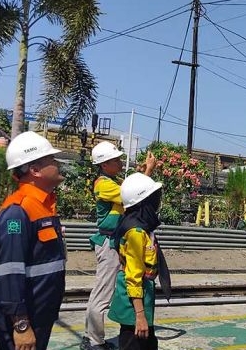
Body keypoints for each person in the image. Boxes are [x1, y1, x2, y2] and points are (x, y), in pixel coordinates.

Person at [0, 131, 67, 350]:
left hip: (40, 313)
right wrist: (21, 325)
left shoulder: (43, 205)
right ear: (35, 170)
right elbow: (10, 271)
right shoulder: (17, 211)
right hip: (24, 318)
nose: (57, 163)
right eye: (51, 159)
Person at [82, 142, 156, 350]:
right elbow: (133, 195)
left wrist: (142, 173)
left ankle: (93, 337)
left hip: (114, 241)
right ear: (104, 165)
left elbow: (132, 188)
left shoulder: (113, 180)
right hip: (109, 242)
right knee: (103, 292)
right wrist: (148, 172)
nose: (120, 162)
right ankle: (94, 340)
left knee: (107, 290)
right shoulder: (103, 184)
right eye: (115, 160)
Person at [108, 173, 171, 350]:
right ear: (144, 204)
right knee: (133, 343)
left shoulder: (136, 224)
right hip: (134, 301)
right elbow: (133, 276)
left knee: (149, 344)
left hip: (141, 297)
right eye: (153, 199)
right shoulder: (136, 232)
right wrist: (140, 315)